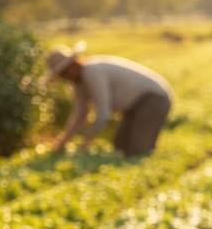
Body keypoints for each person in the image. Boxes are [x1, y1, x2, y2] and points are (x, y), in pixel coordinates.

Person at [44, 44, 173, 157]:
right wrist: (63, 141)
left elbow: (102, 112)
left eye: (64, 73)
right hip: (132, 107)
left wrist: (87, 140)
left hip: (153, 99)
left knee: (137, 152)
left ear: (73, 65)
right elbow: (80, 114)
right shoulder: (78, 83)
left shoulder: (92, 72)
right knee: (120, 147)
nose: (64, 78)